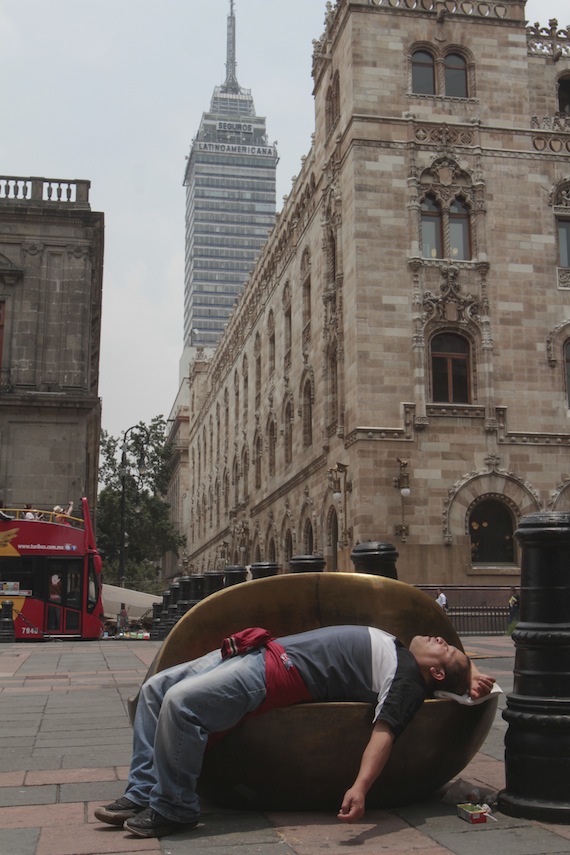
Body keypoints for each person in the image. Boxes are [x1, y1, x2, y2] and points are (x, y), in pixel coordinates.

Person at [94, 624, 494, 839]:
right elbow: (449, 663)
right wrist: (470, 671)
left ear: (436, 672)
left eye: (446, 649)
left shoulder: (406, 680)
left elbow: (385, 733)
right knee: (153, 690)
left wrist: (360, 786)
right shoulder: (405, 650)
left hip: (272, 673)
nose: (441, 639)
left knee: (182, 704)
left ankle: (173, 809)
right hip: (259, 650)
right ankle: (141, 793)